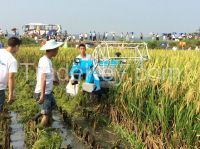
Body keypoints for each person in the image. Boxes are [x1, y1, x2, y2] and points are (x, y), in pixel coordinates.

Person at [34, 39, 63, 126]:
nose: (57, 51)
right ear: (52, 50)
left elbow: (46, 77)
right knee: (46, 115)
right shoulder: (45, 61)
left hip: (47, 92)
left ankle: (38, 117)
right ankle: (41, 131)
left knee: (52, 106)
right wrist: (42, 95)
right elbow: (43, 78)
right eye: (57, 49)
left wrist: (53, 82)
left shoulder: (47, 60)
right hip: (44, 93)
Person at [0, 37, 21, 113]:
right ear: (16, 46)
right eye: (19, 47)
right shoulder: (12, 60)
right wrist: (11, 94)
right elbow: (11, 77)